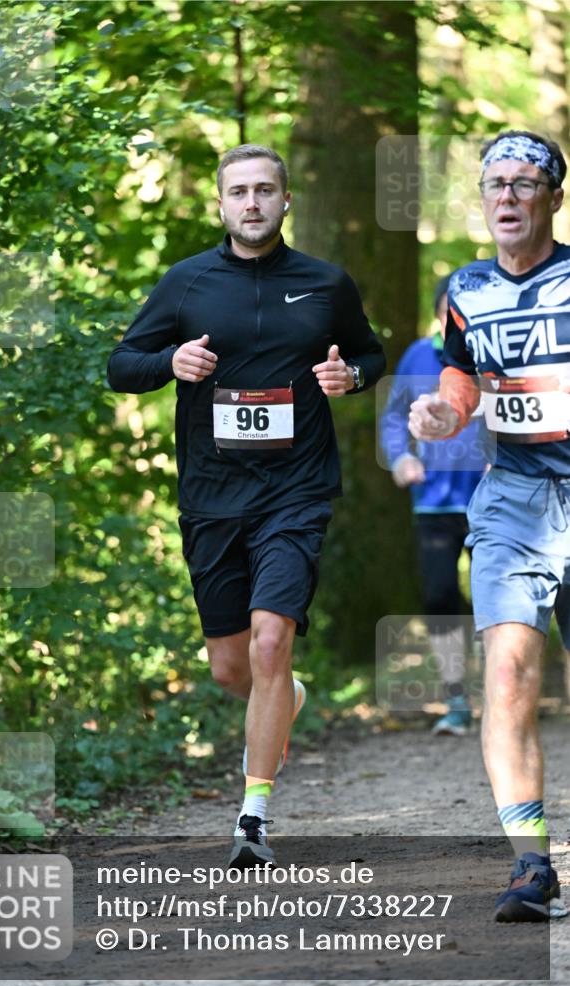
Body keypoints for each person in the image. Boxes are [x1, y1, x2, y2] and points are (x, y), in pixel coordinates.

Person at [107, 144, 385, 868]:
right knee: (233, 670)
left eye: (265, 190)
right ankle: (285, 694)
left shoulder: (324, 283)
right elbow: (121, 367)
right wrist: (169, 362)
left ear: (286, 200)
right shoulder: (187, 282)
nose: (252, 202)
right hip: (212, 495)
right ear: (221, 204)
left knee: (269, 642)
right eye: (239, 192)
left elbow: (370, 354)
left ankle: (252, 818)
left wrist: (349, 377)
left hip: (295, 490)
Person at [409, 130, 569, 922]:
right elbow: (460, 374)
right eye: (493, 184)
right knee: (505, 678)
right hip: (512, 496)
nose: (506, 196)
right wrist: (445, 412)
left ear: (552, 198)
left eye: (522, 183)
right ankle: (531, 866)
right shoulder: (464, 287)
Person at [380, 276, 485, 734]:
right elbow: (392, 417)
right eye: (449, 314)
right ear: (439, 315)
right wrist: (400, 457)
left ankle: (506, 696)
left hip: (492, 500)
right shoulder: (418, 356)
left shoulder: (493, 353)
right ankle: (457, 699)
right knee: (441, 597)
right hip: (434, 504)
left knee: (499, 601)